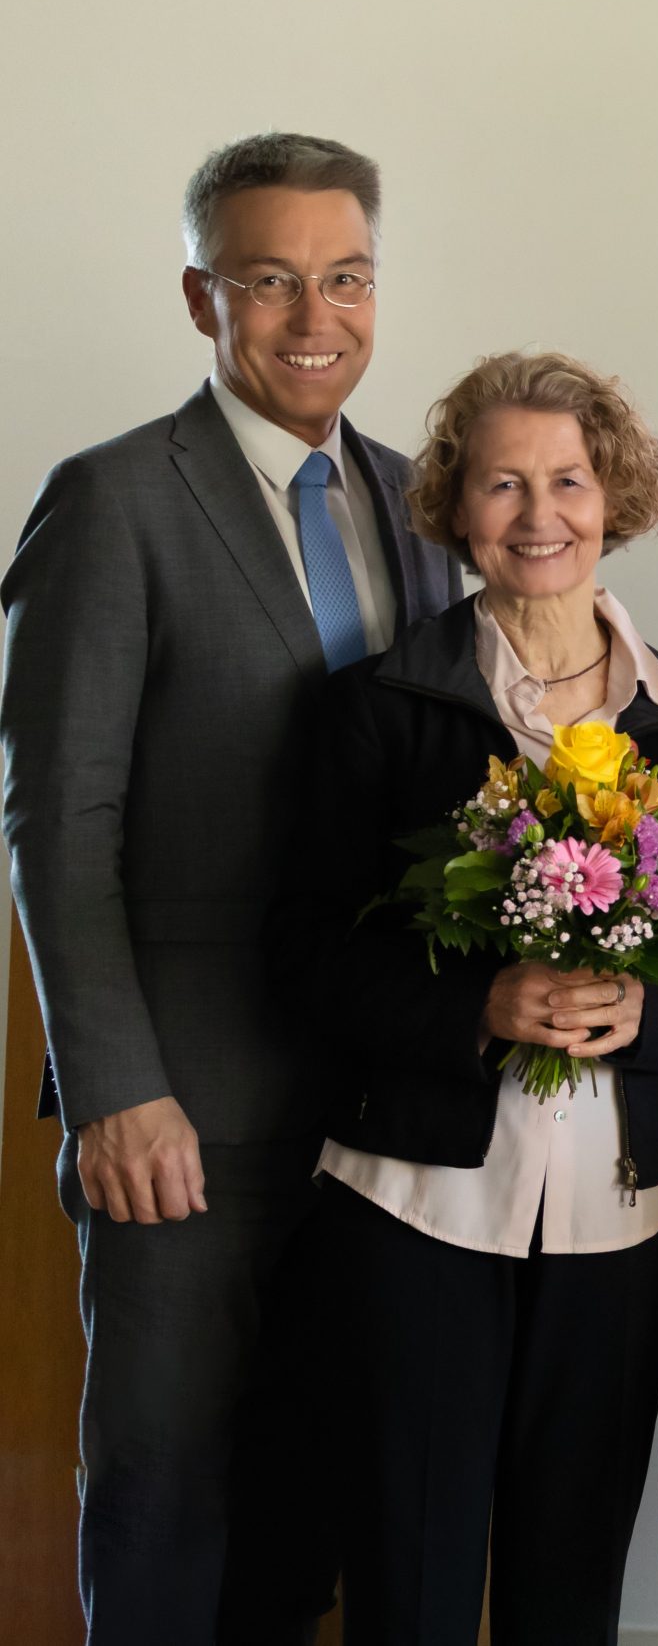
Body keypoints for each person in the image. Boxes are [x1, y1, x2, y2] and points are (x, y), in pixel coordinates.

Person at [1, 132, 462, 1644]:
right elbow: (58, 823)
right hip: (183, 1108)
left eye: (345, 278)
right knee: (164, 1480)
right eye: (271, 281)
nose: (313, 315)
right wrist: (114, 1086)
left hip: (374, 1101)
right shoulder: (115, 500)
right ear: (205, 297)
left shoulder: (420, 505)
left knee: (315, 1481)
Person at [286, 352, 658, 1642]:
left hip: (622, 1221)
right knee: (409, 1587)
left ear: (616, 494)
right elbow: (305, 953)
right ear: (455, 508)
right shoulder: (378, 711)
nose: (541, 514)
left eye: (570, 480)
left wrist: (653, 1019)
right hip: (416, 1207)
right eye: (503, 484)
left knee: (568, 1588)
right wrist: (479, 1009)